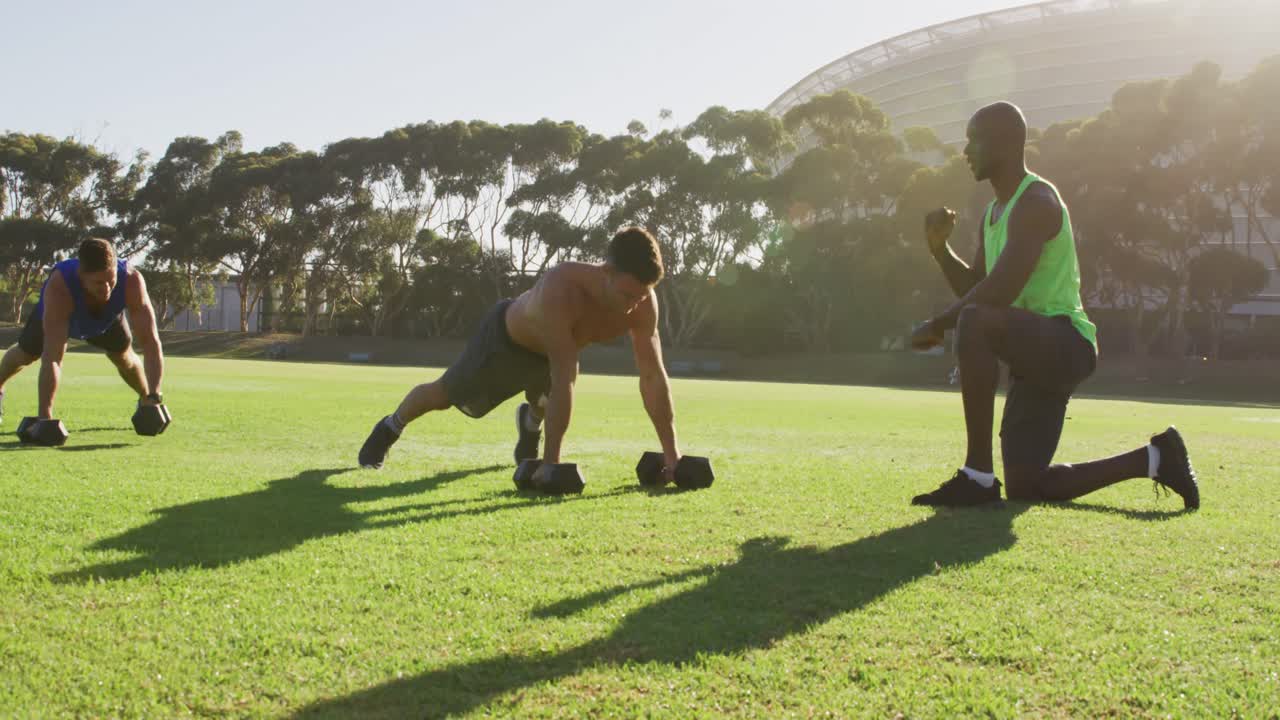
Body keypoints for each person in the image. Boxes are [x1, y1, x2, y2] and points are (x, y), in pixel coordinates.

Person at [909, 102, 1198, 509]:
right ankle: (1155, 458)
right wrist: (940, 252)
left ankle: (976, 476)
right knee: (1028, 486)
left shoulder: (1037, 202)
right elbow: (978, 288)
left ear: (1007, 144)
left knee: (974, 318)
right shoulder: (993, 213)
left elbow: (1000, 291)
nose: (965, 150)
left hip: (1066, 344)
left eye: (975, 139)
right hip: (1033, 357)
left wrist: (939, 324)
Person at [358, 226, 683, 487]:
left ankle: (530, 425)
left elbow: (653, 376)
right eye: (627, 294)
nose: (633, 305)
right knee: (443, 395)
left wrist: (672, 457)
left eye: (640, 297)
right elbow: (564, 376)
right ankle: (389, 427)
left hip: (555, 354)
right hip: (505, 341)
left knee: (545, 400)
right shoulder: (562, 288)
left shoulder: (642, 303)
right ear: (607, 271)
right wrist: (551, 463)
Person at [0, 238, 166, 429]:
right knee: (26, 353)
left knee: (123, 357)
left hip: (105, 318)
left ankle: (146, 400)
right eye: (98, 282)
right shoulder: (60, 286)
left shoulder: (131, 281)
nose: (106, 289)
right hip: (58, 315)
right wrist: (45, 419)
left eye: (110, 280)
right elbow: (53, 359)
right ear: (81, 275)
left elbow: (151, 343)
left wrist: (154, 395)